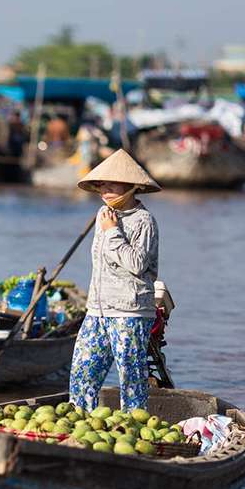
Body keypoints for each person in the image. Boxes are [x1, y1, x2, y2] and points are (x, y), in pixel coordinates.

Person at [68, 149, 161, 412]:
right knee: (82, 374)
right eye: (101, 183)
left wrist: (112, 232)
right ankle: (78, 425)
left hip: (129, 312)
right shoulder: (103, 214)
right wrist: (108, 226)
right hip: (97, 309)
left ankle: (133, 425)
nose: (104, 188)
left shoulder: (144, 220)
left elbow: (136, 264)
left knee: (131, 378)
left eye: (112, 182)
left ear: (131, 186)